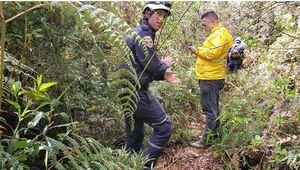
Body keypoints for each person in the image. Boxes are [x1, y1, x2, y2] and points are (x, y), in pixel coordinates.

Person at [126, 1, 181, 169]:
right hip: (136, 94)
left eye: (164, 16)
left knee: (135, 135)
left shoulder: (139, 32)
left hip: (126, 93)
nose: (161, 19)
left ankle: (127, 165)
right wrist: (163, 70)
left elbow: (142, 64)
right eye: (158, 14)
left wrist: (161, 67)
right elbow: (150, 64)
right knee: (165, 128)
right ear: (147, 13)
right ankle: (144, 165)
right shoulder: (143, 35)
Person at [188, 10, 233, 148]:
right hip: (212, 76)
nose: (204, 28)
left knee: (209, 110)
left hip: (211, 77)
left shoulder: (219, 34)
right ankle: (214, 135)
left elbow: (212, 53)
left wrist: (197, 50)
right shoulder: (218, 34)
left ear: (212, 21)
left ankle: (206, 140)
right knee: (213, 108)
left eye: (204, 24)